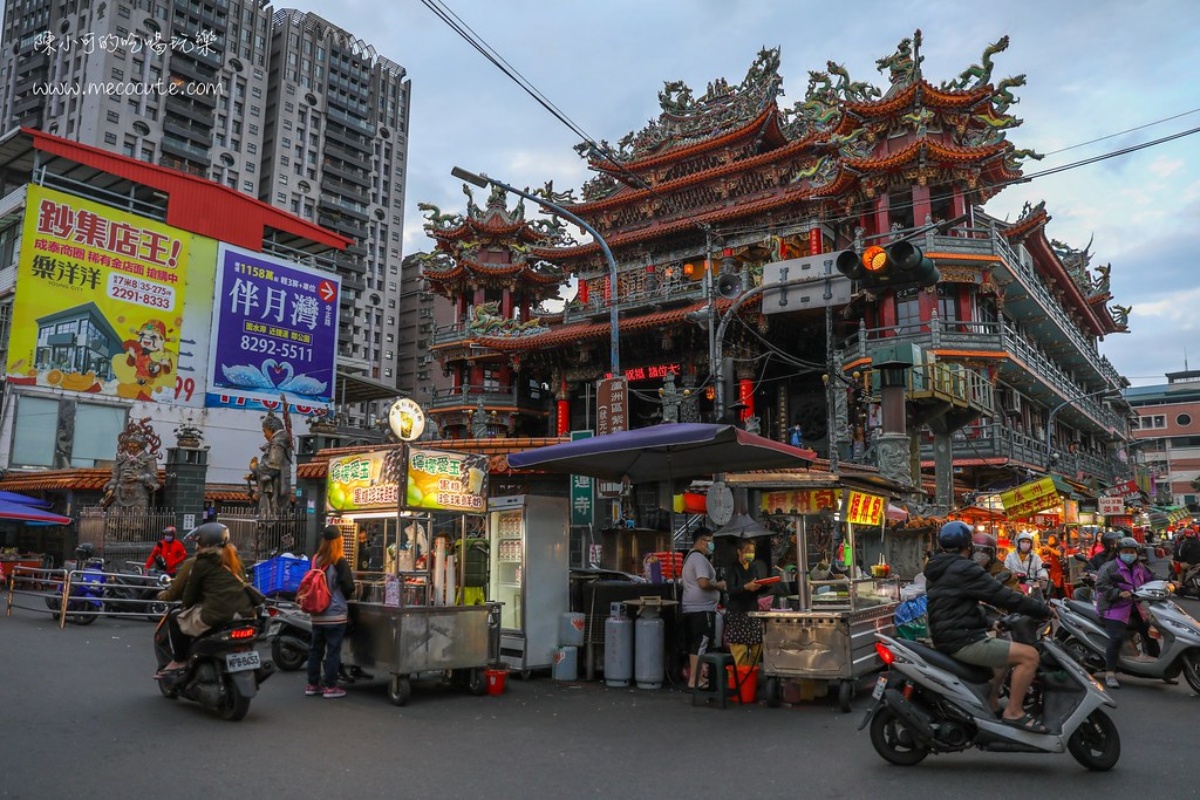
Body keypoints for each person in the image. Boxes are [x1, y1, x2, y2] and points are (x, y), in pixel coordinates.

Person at [924, 521, 1052, 732]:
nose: (981, 555)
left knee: (1002, 659)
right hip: (962, 639)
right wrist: (1043, 610)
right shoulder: (963, 568)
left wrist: (991, 622)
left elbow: (958, 606)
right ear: (969, 545)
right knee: (1029, 656)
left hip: (951, 634)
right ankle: (1014, 712)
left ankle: (991, 704)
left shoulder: (939, 568)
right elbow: (1002, 596)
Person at [157, 523, 256, 675]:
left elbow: (189, 595)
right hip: (246, 613)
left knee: (175, 617)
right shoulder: (234, 559)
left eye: (198, 541)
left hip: (218, 615)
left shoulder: (201, 563)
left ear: (204, 543)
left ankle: (179, 660)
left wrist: (184, 607)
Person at [1094, 537, 1159, 689]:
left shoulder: (1140, 567)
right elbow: (1101, 585)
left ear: (1136, 553)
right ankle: (1110, 672)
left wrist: (1169, 582)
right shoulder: (1110, 567)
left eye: (1131, 552)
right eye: (1125, 551)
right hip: (1113, 608)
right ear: (1119, 552)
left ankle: (1157, 668)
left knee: (1150, 632)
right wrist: (1118, 593)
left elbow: (1152, 577)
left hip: (1134, 606)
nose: (1129, 554)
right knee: (1116, 637)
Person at [306, 525, 356, 699]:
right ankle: (330, 686)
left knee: (316, 649)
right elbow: (348, 587)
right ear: (339, 541)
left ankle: (313, 684)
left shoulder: (315, 559)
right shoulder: (339, 560)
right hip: (335, 613)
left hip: (317, 612)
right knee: (333, 650)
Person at [681, 528, 725, 689]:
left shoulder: (690, 557)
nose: (711, 544)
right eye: (709, 541)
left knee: (696, 644)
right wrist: (719, 585)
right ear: (700, 541)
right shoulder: (699, 558)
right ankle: (695, 679)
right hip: (701, 609)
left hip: (692, 608)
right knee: (701, 643)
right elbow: (703, 583)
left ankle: (697, 678)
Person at [724, 539, 770, 666]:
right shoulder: (732, 568)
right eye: (747, 551)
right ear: (739, 552)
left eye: (752, 551)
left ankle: (751, 674)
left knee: (756, 648)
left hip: (753, 612)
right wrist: (745, 587)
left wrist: (766, 585)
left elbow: (758, 587)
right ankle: (740, 676)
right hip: (737, 614)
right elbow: (730, 590)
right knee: (740, 650)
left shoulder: (753, 567)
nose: (750, 554)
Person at [1003, 532, 1048, 596]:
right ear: (1018, 543)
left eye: (1028, 542)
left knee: (1040, 598)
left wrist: (1043, 576)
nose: (1025, 544)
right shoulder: (1010, 556)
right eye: (1023, 541)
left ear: (1031, 544)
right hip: (1014, 585)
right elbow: (1005, 569)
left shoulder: (1035, 557)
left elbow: (1041, 569)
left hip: (1031, 586)